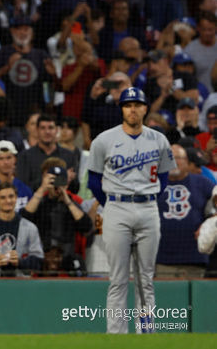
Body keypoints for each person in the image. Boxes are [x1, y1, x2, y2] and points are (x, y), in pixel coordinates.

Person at [87, 87, 176, 333]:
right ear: (122, 109)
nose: (133, 109)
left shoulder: (159, 139)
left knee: (145, 278)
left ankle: (145, 332)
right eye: (128, 105)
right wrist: (111, 205)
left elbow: (165, 176)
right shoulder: (103, 140)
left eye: (137, 104)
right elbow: (94, 181)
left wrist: (151, 199)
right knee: (117, 279)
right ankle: (116, 335)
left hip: (148, 207)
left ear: (146, 108)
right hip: (117, 207)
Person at [156, 145, 215, 278]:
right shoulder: (153, 185)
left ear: (187, 161)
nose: (173, 162)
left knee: (193, 298)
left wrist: (211, 222)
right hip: (161, 258)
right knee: (165, 298)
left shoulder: (203, 183)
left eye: (178, 158)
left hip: (194, 258)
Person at [16, 114, 77, 192]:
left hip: (62, 202)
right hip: (35, 202)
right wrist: (62, 179)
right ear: (37, 130)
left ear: (57, 130)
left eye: (51, 128)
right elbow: (23, 187)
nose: (47, 132)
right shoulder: (25, 156)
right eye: (43, 128)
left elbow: (75, 188)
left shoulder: (69, 155)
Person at [0, 141, 32, 211]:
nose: (6, 162)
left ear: (15, 159)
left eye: (9, 158)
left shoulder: (24, 189)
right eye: (1, 159)